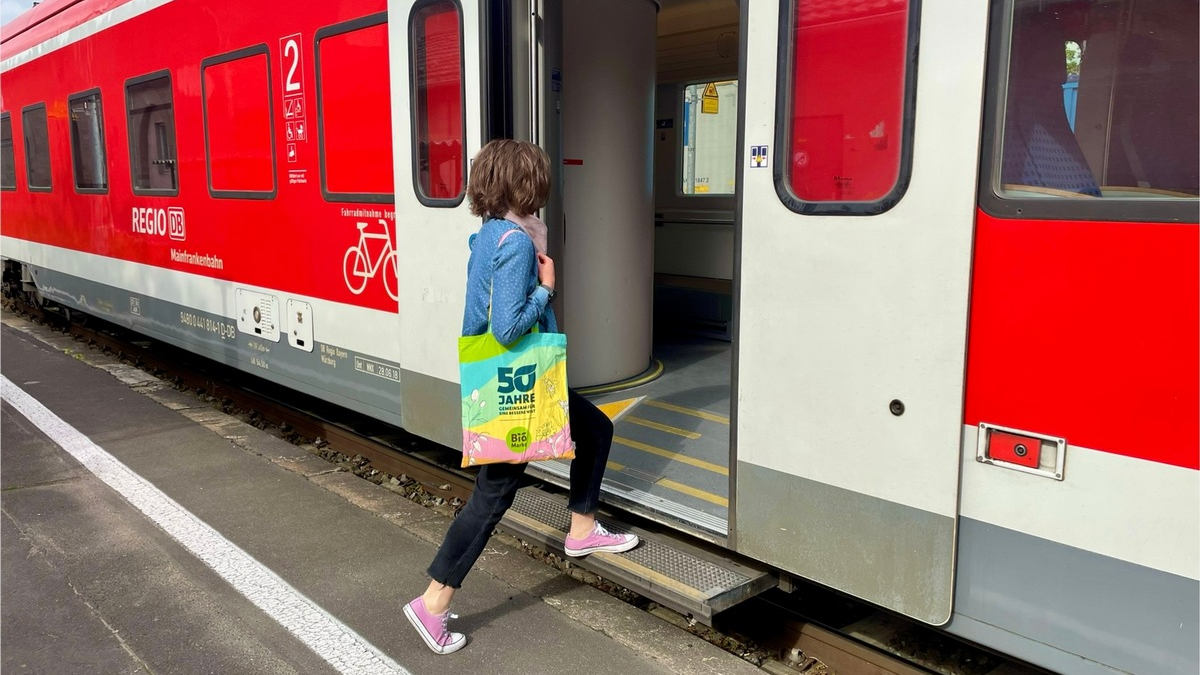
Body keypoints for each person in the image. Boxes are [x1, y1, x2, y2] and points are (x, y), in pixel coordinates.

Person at [405, 139, 639, 655]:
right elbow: (507, 328)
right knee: (493, 496)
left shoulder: (490, 234)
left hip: (514, 381)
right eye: (537, 179)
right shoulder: (514, 244)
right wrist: (546, 288)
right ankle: (433, 602)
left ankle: (582, 528)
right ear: (523, 185)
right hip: (516, 384)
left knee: (594, 430)